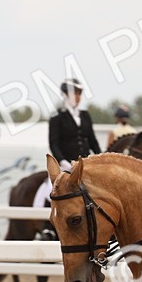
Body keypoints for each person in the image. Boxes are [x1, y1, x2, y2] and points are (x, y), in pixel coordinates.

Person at [34, 79, 100, 211]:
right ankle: (45, 222)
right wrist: (63, 162)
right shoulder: (57, 116)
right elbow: (54, 143)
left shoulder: (85, 115)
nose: (77, 97)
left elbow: (92, 141)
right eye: (74, 94)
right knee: (50, 189)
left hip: (85, 163)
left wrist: (100, 159)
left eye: (79, 94)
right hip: (65, 164)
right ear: (65, 95)